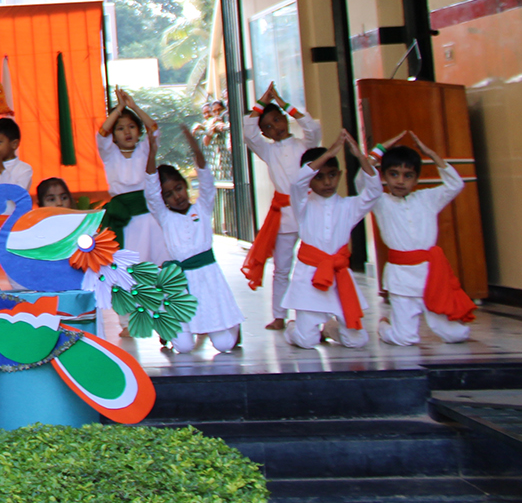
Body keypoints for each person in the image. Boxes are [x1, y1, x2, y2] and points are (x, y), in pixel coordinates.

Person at [142, 125, 243, 355]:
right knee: (184, 347)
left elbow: (206, 179)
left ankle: (231, 323)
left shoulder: (203, 207)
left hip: (208, 279)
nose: (177, 196)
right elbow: (151, 190)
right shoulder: (164, 216)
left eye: (179, 188)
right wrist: (152, 152)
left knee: (224, 345)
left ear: (186, 185)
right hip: (180, 284)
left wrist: (196, 148)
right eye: (168, 194)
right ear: (163, 199)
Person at [371, 134, 474, 346]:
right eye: (394, 174)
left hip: (431, 278)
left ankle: (432, 323)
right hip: (401, 280)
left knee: (457, 335)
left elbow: (455, 185)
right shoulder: (379, 201)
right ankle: (384, 327)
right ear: (383, 176)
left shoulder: (427, 198)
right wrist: (380, 149)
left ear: (416, 179)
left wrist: (432, 155)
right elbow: (360, 179)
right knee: (405, 338)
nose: (400, 181)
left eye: (408, 175)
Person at [284, 132, 382, 350]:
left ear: (339, 175)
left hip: (339, 277)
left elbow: (374, 191)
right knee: (307, 341)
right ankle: (293, 329)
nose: (327, 182)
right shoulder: (302, 204)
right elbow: (297, 183)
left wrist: (361, 157)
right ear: (310, 179)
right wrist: (328, 153)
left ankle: (330, 329)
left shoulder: (349, 207)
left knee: (357, 340)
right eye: (319, 177)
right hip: (310, 277)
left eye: (332, 175)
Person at [240, 84, 322, 330]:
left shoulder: (305, 145)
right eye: (268, 127)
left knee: (315, 262)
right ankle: (279, 315)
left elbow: (312, 127)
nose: (275, 127)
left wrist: (285, 104)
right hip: (285, 215)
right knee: (282, 267)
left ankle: (319, 314)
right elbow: (248, 133)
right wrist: (262, 103)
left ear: (285, 118)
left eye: (277, 120)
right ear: (264, 133)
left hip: (310, 211)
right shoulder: (267, 150)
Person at [98, 91, 169, 266]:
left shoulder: (145, 150)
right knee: (128, 266)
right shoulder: (109, 154)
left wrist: (134, 107)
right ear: (114, 136)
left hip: (148, 215)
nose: (127, 132)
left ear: (138, 131)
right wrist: (119, 108)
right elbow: (102, 133)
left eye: (131, 126)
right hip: (123, 219)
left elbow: (154, 129)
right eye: (120, 129)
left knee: (156, 264)